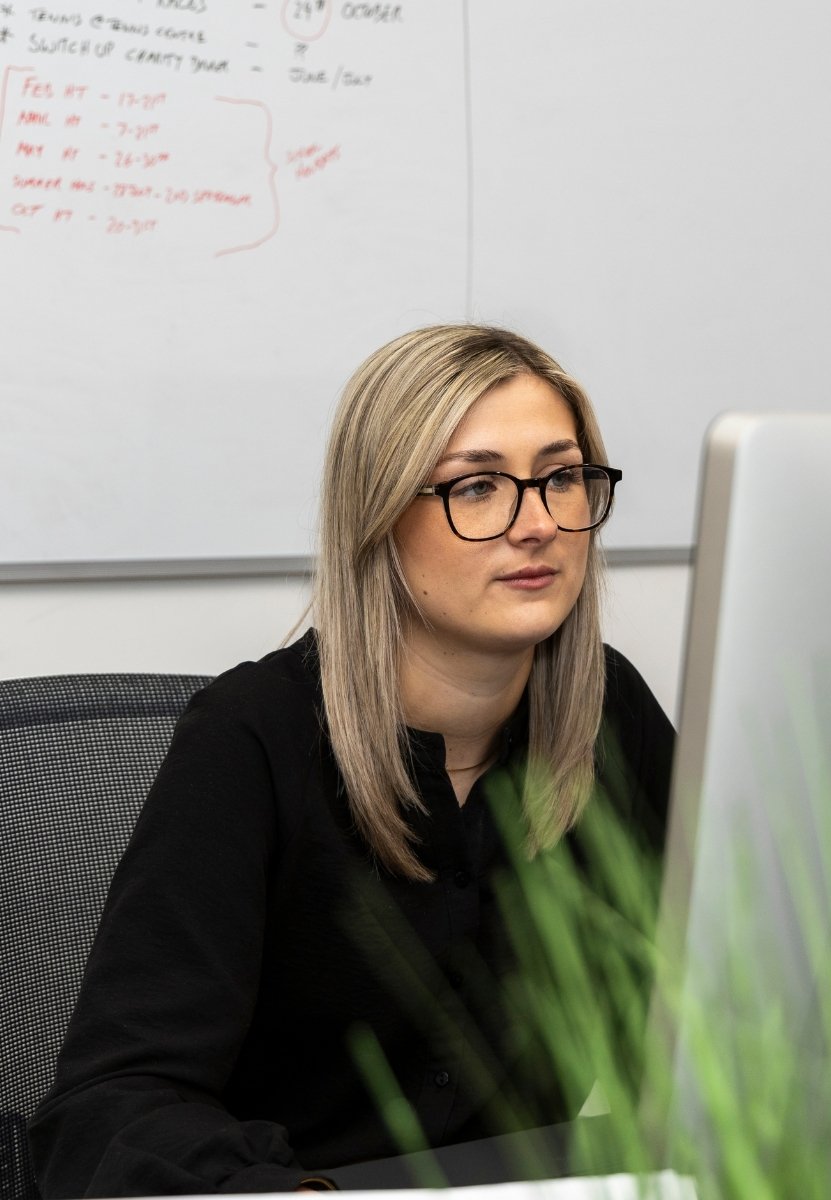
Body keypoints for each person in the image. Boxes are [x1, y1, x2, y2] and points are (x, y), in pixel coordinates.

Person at [29, 325, 675, 1194]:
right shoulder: (251, 737)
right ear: (379, 514)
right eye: (480, 486)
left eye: (562, 477)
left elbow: (708, 1010)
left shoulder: (609, 715)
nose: (539, 524)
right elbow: (111, 1109)